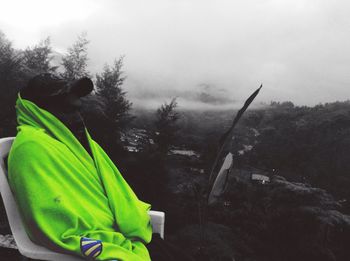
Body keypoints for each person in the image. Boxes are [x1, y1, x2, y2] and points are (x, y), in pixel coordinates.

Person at [8, 73, 194, 261]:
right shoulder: (31, 149)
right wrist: (113, 247)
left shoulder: (70, 144)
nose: (77, 118)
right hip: (104, 243)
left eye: (77, 110)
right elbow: (57, 225)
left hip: (119, 235)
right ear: (37, 111)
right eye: (66, 110)